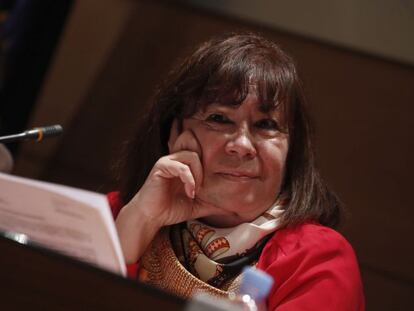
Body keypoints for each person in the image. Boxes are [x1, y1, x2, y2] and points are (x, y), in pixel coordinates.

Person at [109, 33, 365, 310]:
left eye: (266, 125)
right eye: (219, 119)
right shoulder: (115, 213)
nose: (242, 146)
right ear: (173, 133)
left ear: (292, 152)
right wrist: (139, 222)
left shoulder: (317, 260)